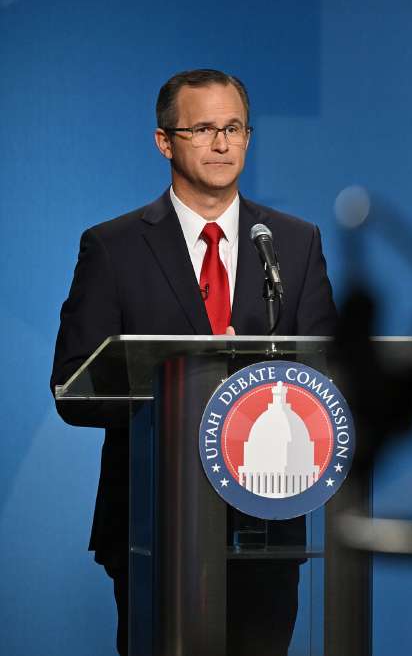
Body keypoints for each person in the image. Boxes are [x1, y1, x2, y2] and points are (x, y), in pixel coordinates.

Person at [50, 69, 338, 655]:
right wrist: (186, 382)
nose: (222, 143)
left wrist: (255, 386)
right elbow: (73, 388)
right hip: (152, 523)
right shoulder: (113, 247)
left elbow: (327, 374)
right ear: (165, 141)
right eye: (203, 128)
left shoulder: (292, 241)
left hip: (268, 522)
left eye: (233, 127)